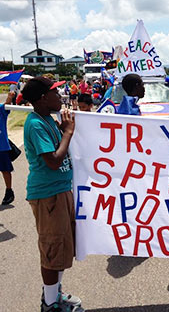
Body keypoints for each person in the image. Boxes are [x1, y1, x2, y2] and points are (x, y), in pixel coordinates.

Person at [21, 77, 84, 312]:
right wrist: (68, 132)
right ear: (41, 99)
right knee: (52, 249)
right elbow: (54, 161)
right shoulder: (35, 124)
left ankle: (54, 292)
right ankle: (49, 304)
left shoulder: (46, 119)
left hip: (60, 191)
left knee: (60, 249)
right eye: (55, 93)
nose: (60, 97)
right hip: (48, 196)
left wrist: (62, 131)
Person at [0, 91, 16, 205]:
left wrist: (10, 97)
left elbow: (6, 105)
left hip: (1, 147)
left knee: (5, 170)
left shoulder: (1, 110)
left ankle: (9, 190)